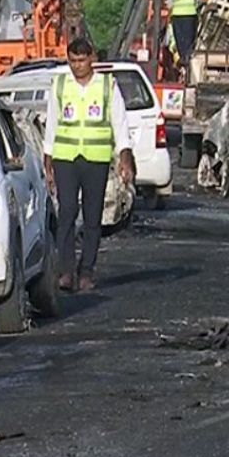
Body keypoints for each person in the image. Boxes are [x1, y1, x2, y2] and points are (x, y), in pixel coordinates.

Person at [43, 37, 135, 292]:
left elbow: (120, 123)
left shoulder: (107, 86)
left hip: (95, 159)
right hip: (66, 158)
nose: (77, 66)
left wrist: (125, 157)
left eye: (82, 60)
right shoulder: (60, 85)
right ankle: (66, 272)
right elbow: (52, 124)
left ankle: (86, 272)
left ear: (92, 58)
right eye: (72, 60)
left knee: (93, 217)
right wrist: (47, 160)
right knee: (67, 212)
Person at [165, 0, 210, 75]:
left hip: (178, 17)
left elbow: (170, 4)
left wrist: (168, 6)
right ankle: (190, 58)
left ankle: (185, 60)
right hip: (191, 14)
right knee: (191, 39)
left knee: (181, 40)